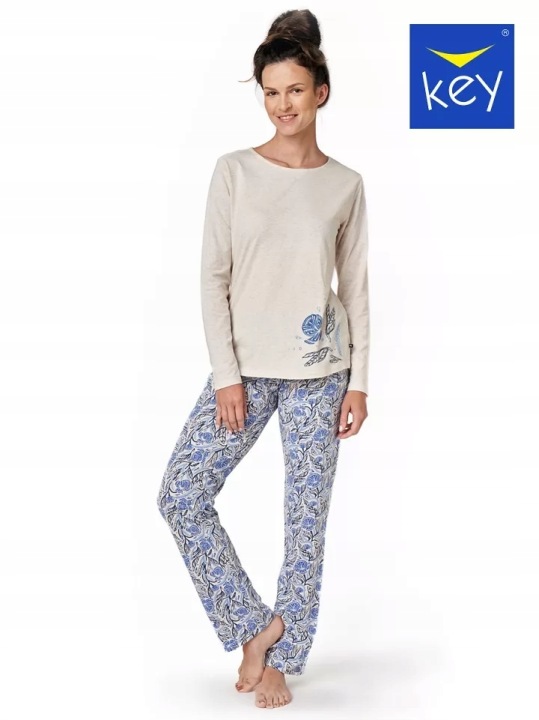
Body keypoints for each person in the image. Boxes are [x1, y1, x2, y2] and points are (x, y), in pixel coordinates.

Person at [156, 8, 370, 710]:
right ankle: (256, 628)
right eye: (271, 92)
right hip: (245, 371)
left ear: (320, 92)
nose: (283, 104)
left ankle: (283, 658)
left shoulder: (344, 185)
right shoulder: (234, 172)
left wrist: (360, 383)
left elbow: (355, 287)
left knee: (305, 524)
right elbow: (211, 278)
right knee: (181, 495)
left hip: (321, 372)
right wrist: (226, 375)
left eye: (295, 90)